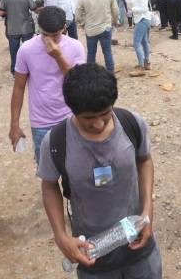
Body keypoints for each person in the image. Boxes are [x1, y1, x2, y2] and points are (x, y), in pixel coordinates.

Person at [37, 63, 161, 278]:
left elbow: (145, 161)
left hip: (138, 242)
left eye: (104, 114)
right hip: (92, 252)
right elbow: (49, 185)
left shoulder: (132, 124)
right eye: (88, 118)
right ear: (73, 110)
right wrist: (60, 235)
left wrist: (147, 210)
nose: (97, 124)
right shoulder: (57, 142)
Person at [9, 6, 86, 161]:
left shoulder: (75, 46)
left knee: (74, 165)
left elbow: (78, 82)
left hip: (71, 117)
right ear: (39, 28)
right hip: (41, 122)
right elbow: (19, 88)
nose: (49, 40)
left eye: (55, 35)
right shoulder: (26, 50)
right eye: (45, 34)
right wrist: (14, 124)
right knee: (46, 170)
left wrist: (58, 57)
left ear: (64, 28)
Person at [75, 0, 119, 72]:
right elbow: (115, 11)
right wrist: (114, 21)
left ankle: (91, 76)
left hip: (91, 29)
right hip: (106, 28)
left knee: (91, 53)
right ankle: (110, 74)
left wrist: (82, 23)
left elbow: (77, 15)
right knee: (107, 52)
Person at [0, 0, 37, 76]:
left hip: (12, 29)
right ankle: (29, 70)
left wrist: (10, 12)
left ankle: (15, 71)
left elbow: (0, 12)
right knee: (28, 50)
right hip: (26, 28)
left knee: (14, 52)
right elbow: (34, 8)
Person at [125, 0, 152, 77]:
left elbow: (144, 8)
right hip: (143, 18)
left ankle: (141, 66)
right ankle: (146, 63)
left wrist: (132, 9)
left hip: (142, 18)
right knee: (144, 41)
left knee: (137, 43)